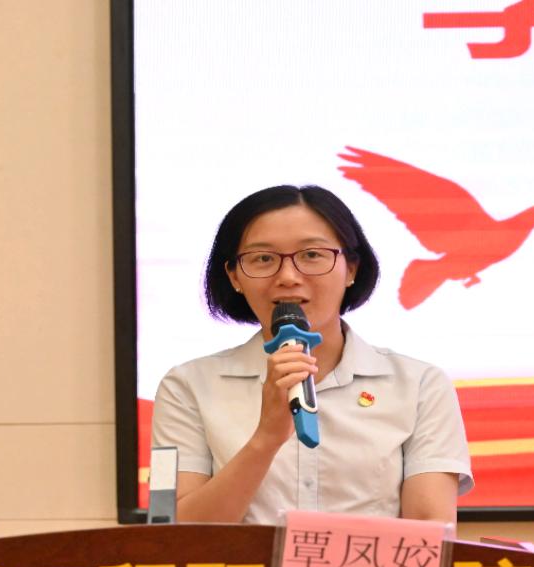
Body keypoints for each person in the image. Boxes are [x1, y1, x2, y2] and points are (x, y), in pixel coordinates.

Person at [151, 184, 473, 525]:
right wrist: (266, 438)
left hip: (365, 564)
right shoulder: (186, 386)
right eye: (263, 259)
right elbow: (172, 532)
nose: (288, 277)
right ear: (234, 277)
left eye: (312, 255)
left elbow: (430, 534)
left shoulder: (420, 385)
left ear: (351, 269)